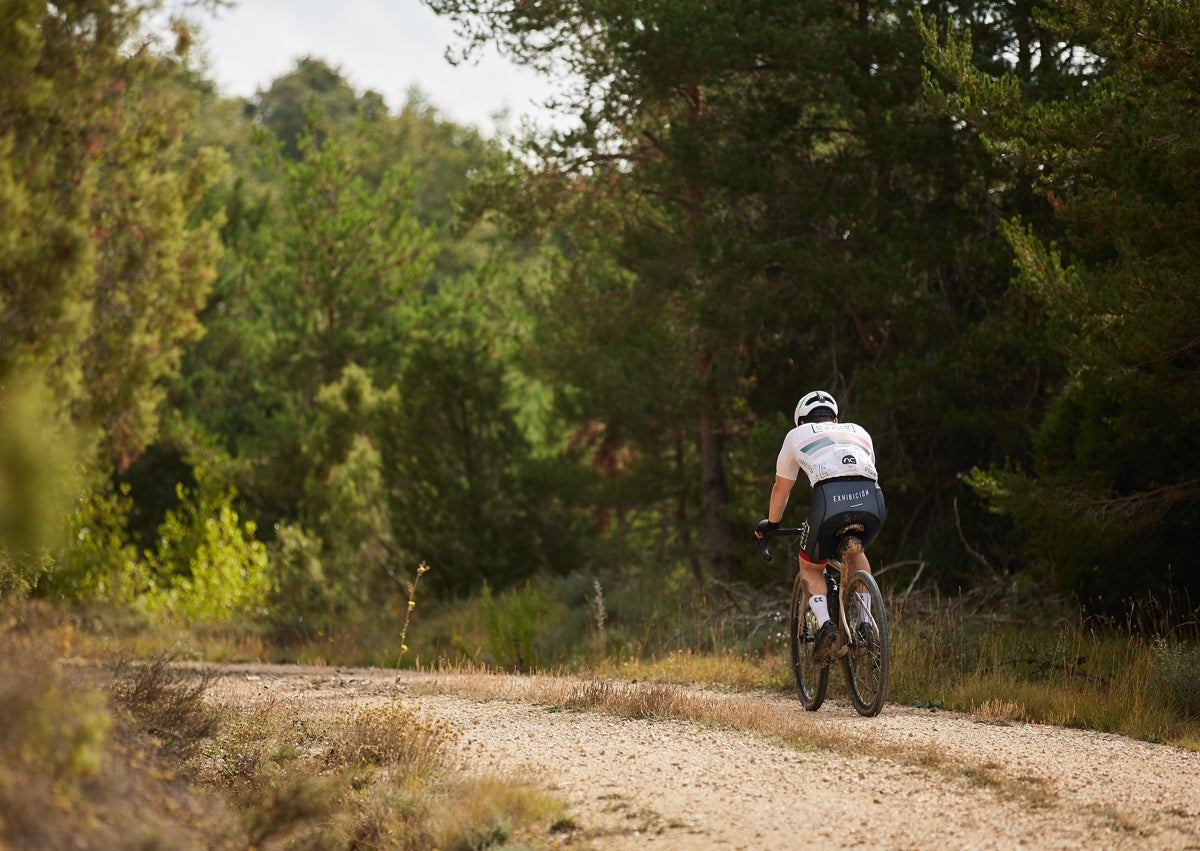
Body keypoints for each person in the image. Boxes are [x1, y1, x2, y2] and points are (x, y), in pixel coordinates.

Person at [754, 390, 886, 664]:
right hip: (873, 499)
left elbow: (782, 487)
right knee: (855, 551)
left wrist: (773, 523)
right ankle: (865, 625)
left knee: (812, 566)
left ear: (801, 421)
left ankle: (825, 624)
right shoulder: (859, 430)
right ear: (835, 420)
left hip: (830, 498)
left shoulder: (796, 435)